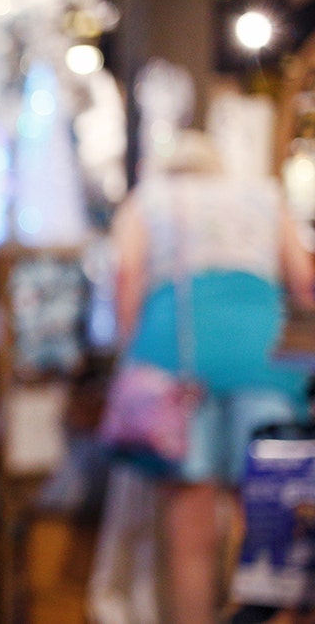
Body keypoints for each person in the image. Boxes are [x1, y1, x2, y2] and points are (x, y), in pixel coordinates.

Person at [109, 129, 315, 624]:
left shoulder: (149, 198)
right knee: (271, 520)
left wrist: (126, 353)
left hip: (178, 371)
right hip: (267, 365)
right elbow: (305, 284)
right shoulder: (263, 196)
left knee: (191, 535)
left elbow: (125, 278)